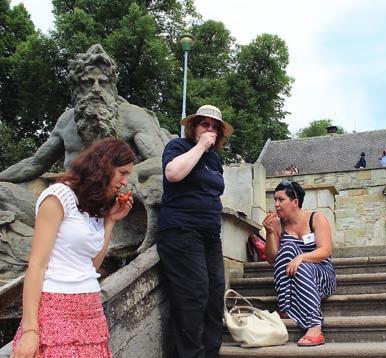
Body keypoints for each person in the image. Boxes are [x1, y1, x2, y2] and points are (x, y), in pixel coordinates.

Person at [11, 137, 135, 358]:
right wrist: (31, 329)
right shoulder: (58, 197)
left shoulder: (93, 205)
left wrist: (110, 221)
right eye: (123, 172)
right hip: (55, 308)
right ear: (105, 166)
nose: (125, 181)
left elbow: (92, 265)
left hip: (91, 311)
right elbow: (36, 266)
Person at [0, 44, 170, 184]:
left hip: (120, 200)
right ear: (76, 88)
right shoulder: (66, 121)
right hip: (71, 198)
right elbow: (35, 164)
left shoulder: (134, 116)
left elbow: (163, 162)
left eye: (102, 82)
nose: (96, 89)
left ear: (111, 87)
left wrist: (130, 173)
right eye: (88, 82)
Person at [156, 104, 233, 358]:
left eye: (214, 127)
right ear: (193, 127)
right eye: (204, 124)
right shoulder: (178, 147)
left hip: (210, 235)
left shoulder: (215, 159)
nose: (209, 130)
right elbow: (173, 174)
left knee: (214, 296)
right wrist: (200, 146)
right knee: (194, 294)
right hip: (181, 230)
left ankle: (210, 353)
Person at [262, 180, 336, 347]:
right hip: (293, 279)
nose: (276, 204)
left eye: (281, 200)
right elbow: (273, 259)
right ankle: (286, 307)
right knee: (287, 247)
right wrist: (270, 233)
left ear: (295, 202)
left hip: (322, 275)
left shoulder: (316, 218)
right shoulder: (278, 225)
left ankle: (315, 326)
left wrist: (301, 258)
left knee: (300, 264)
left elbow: (325, 251)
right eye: (275, 200)